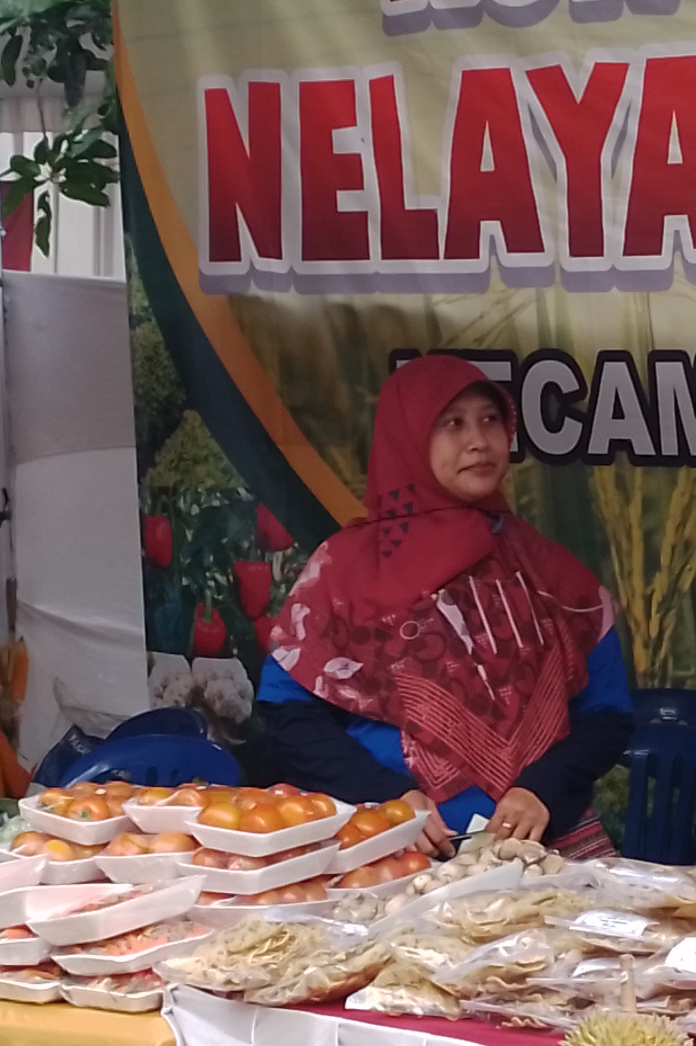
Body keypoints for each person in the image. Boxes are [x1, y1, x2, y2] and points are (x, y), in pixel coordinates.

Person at [256, 354, 634, 846]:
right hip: (389, 844)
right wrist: (384, 796)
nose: (478, 440)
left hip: (540, 847)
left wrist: (544, 788)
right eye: (452, 424)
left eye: (490, 420)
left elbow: (607, 713)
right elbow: (290, 715)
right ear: (408, 438)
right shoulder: (345, 571)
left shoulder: (545, 568)